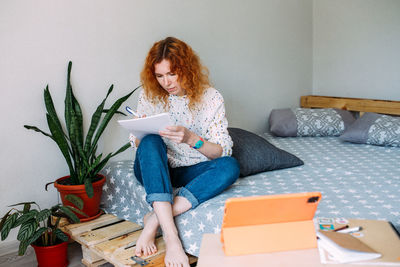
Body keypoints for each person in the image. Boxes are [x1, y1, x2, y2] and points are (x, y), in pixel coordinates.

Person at [129, 36, 240, 267]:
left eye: (172, 74)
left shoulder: (211, 98)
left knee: (230, 166)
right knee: (149, 141)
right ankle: (172, 239)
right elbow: (137, 145)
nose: (166, 82)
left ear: (186, 69)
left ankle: (154, 221)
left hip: (191, 169)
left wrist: (192, 139)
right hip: (155, 168)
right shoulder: (149, 95)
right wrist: (142, 130)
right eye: (159, 76)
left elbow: (221, 150)